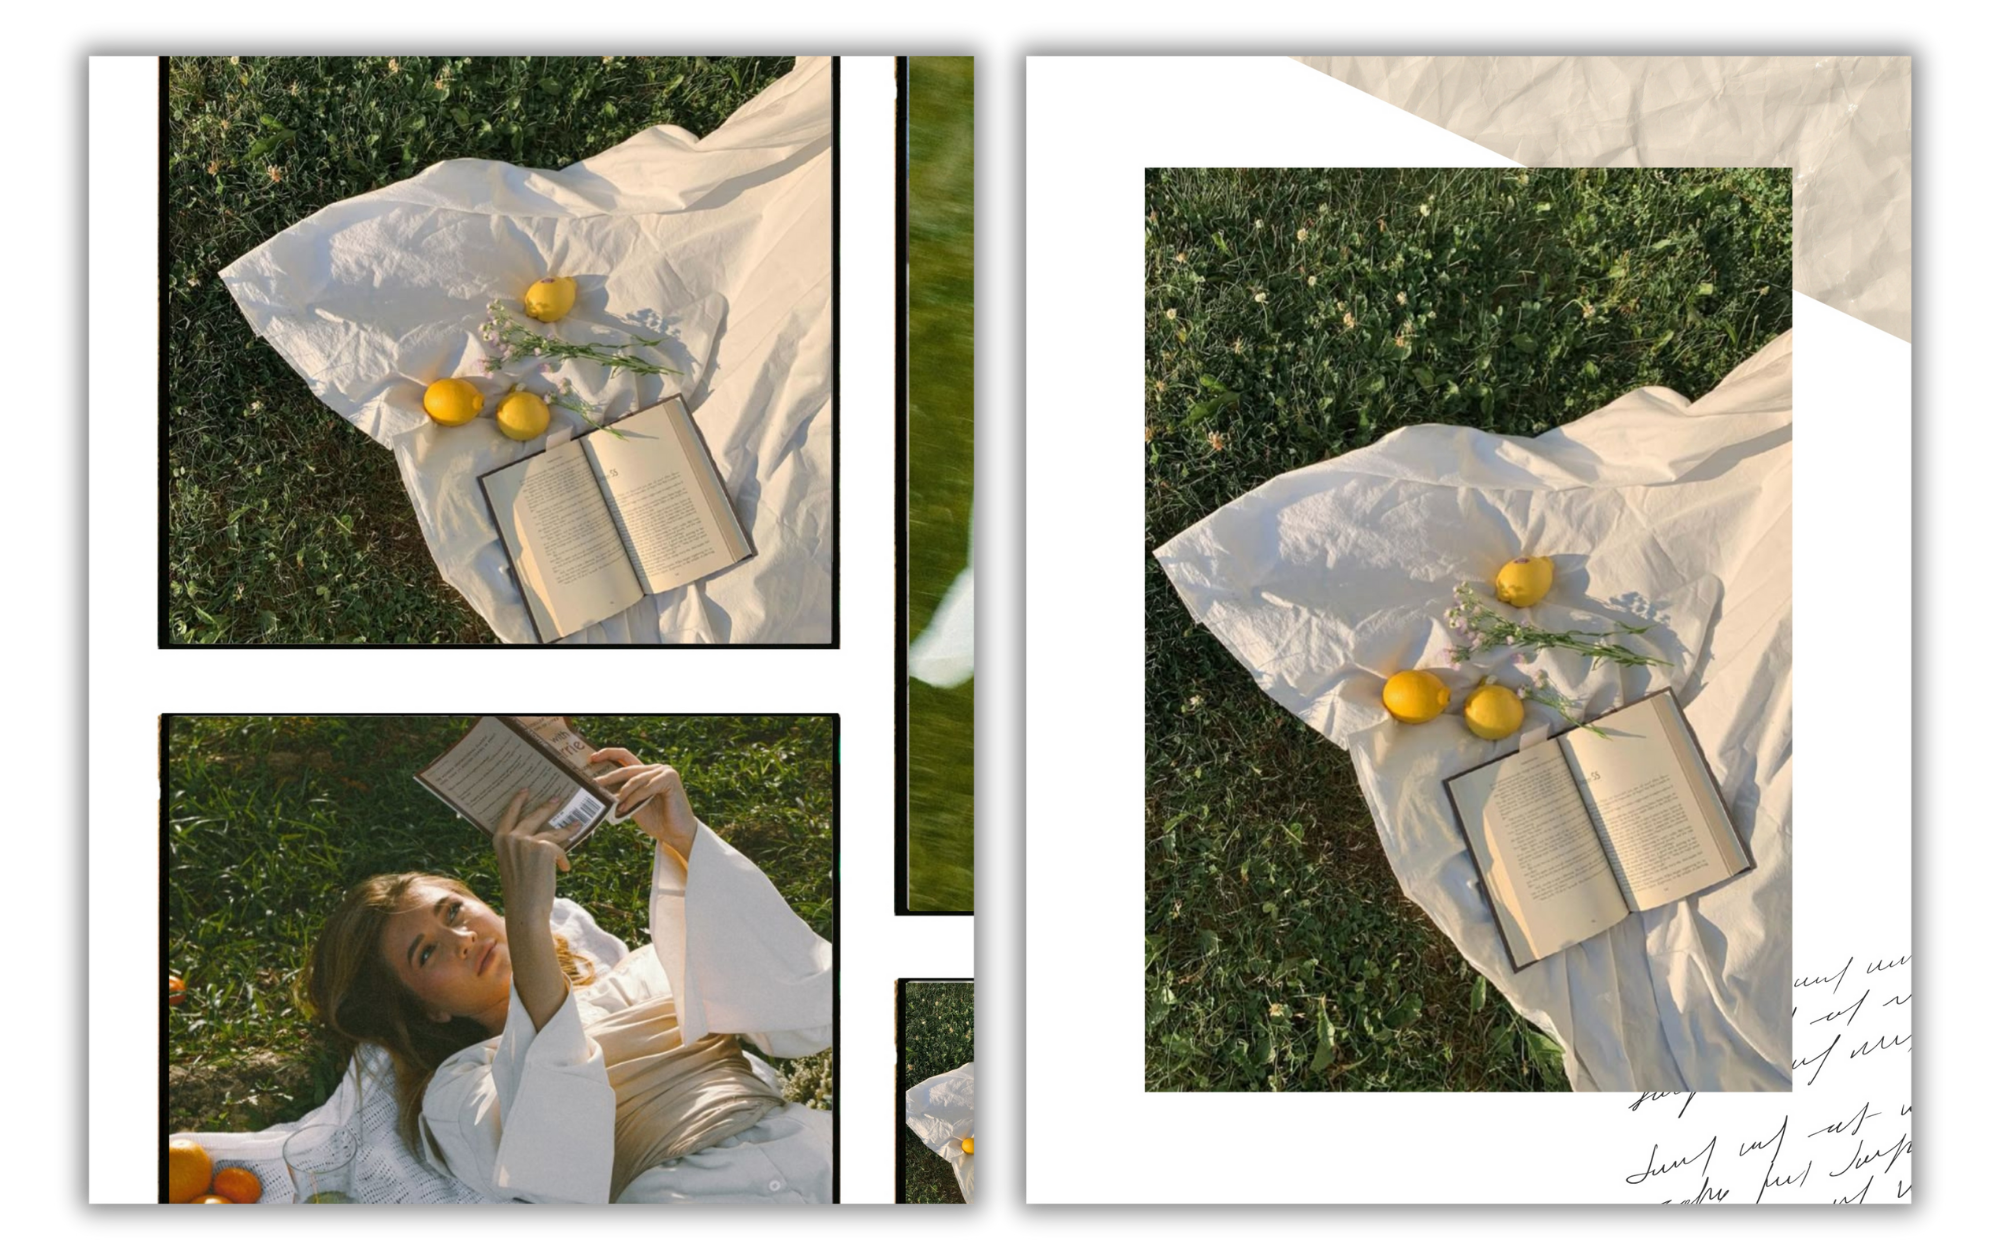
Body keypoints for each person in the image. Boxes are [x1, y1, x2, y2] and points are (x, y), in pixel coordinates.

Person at [304, 748, 831, 1203]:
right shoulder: (458, 1091)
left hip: (818, 1153)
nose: (461, 939)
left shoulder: (647, 968)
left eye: (454, 911)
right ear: (428, 1009)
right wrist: (528, 923)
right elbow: (562, 1169)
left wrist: (684, 839)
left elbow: (807, 1011)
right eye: (426, 954)